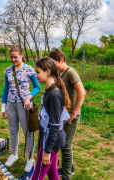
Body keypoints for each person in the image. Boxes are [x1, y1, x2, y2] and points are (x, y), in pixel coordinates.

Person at [1, 46, 40, 172]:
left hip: (25, 105)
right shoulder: (8, 70)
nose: (13, 59)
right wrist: (3, 106)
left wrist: (29, 97)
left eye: (15, 57)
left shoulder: (29, 69)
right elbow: (6, 89)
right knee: (13, 131)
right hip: (11, 104)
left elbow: (37, 87)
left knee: (28, 132)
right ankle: (14, 154)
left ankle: (30, 158)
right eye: (11, 57)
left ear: (22, 55)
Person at [31, 57, 71, 180]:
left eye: (38, 72)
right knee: (52, 172)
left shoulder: (54, 94)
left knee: (37, 175)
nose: (35, 75)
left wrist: (47, 151)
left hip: (51, 142)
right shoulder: (49, 90)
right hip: (49, 139)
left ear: (47, 72)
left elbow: (55, 125)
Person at [48, 49, 86, 180]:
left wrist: (74, 113)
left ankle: (66, 176)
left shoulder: (71, 73)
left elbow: (82, 93)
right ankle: (68, 168)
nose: (52, 67)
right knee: (60, 143)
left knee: (66, 146)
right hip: (62, 115)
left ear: (61, 60)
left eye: (54, 63)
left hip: (71, 117)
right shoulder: (59, 73)